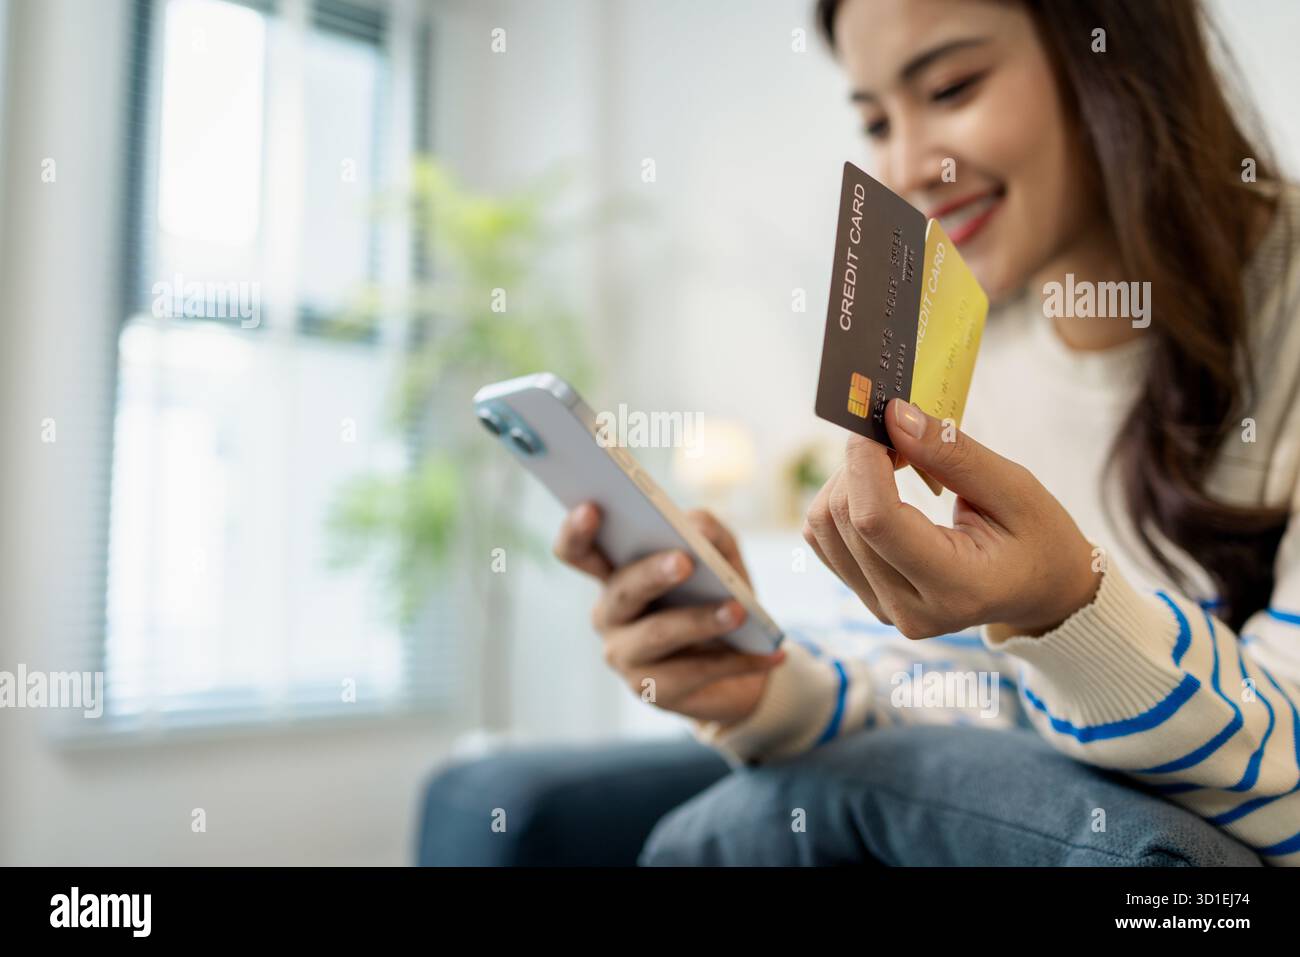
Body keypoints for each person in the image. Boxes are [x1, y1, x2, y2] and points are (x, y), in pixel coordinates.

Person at [420, 0, 1299, 866]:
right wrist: (756, 684)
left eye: (952, 87)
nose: (910, 165)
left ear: (1118, 49)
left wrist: (1062, 605)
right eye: (876, 119)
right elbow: (942, 699)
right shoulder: (966, 345)